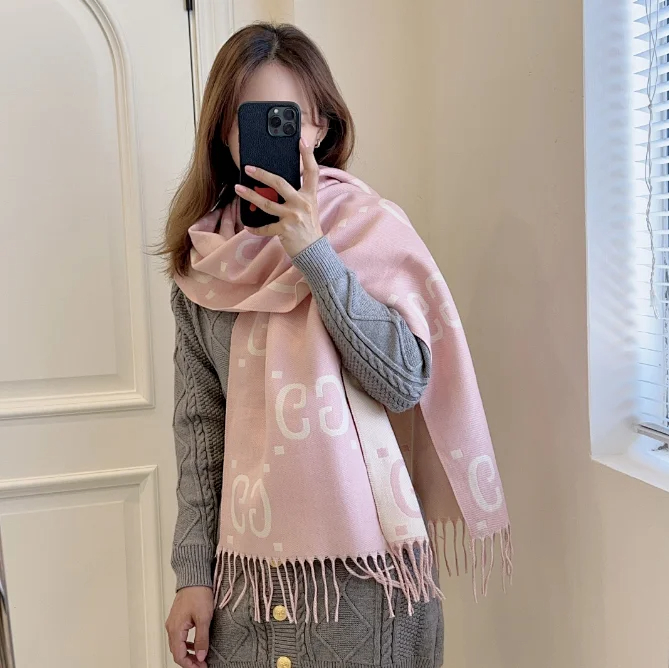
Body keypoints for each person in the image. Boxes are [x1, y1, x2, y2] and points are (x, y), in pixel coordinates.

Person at [159, 20, 510, 668]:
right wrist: (191, 575)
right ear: (223, 135)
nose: (267, 135)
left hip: (368, 588)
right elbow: (200, 429)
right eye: (247, 119)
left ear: (320, 125)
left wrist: (313, 253)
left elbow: (404, 380)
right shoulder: (204, 262)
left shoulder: (370, 230)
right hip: (246, 592)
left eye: (285, 118)